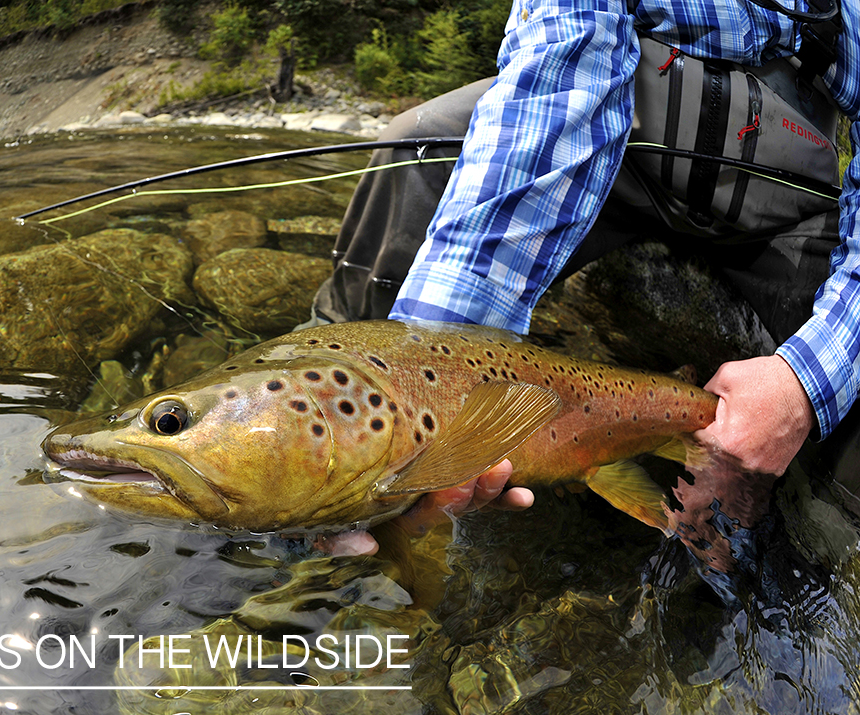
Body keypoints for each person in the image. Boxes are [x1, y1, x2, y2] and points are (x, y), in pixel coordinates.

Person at [316, 0, 860, 545]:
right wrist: (434, 379)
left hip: (785, 199)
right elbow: (558, 84)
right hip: (618, 156)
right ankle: (333, 417)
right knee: (418, 143)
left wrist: (805, 383)